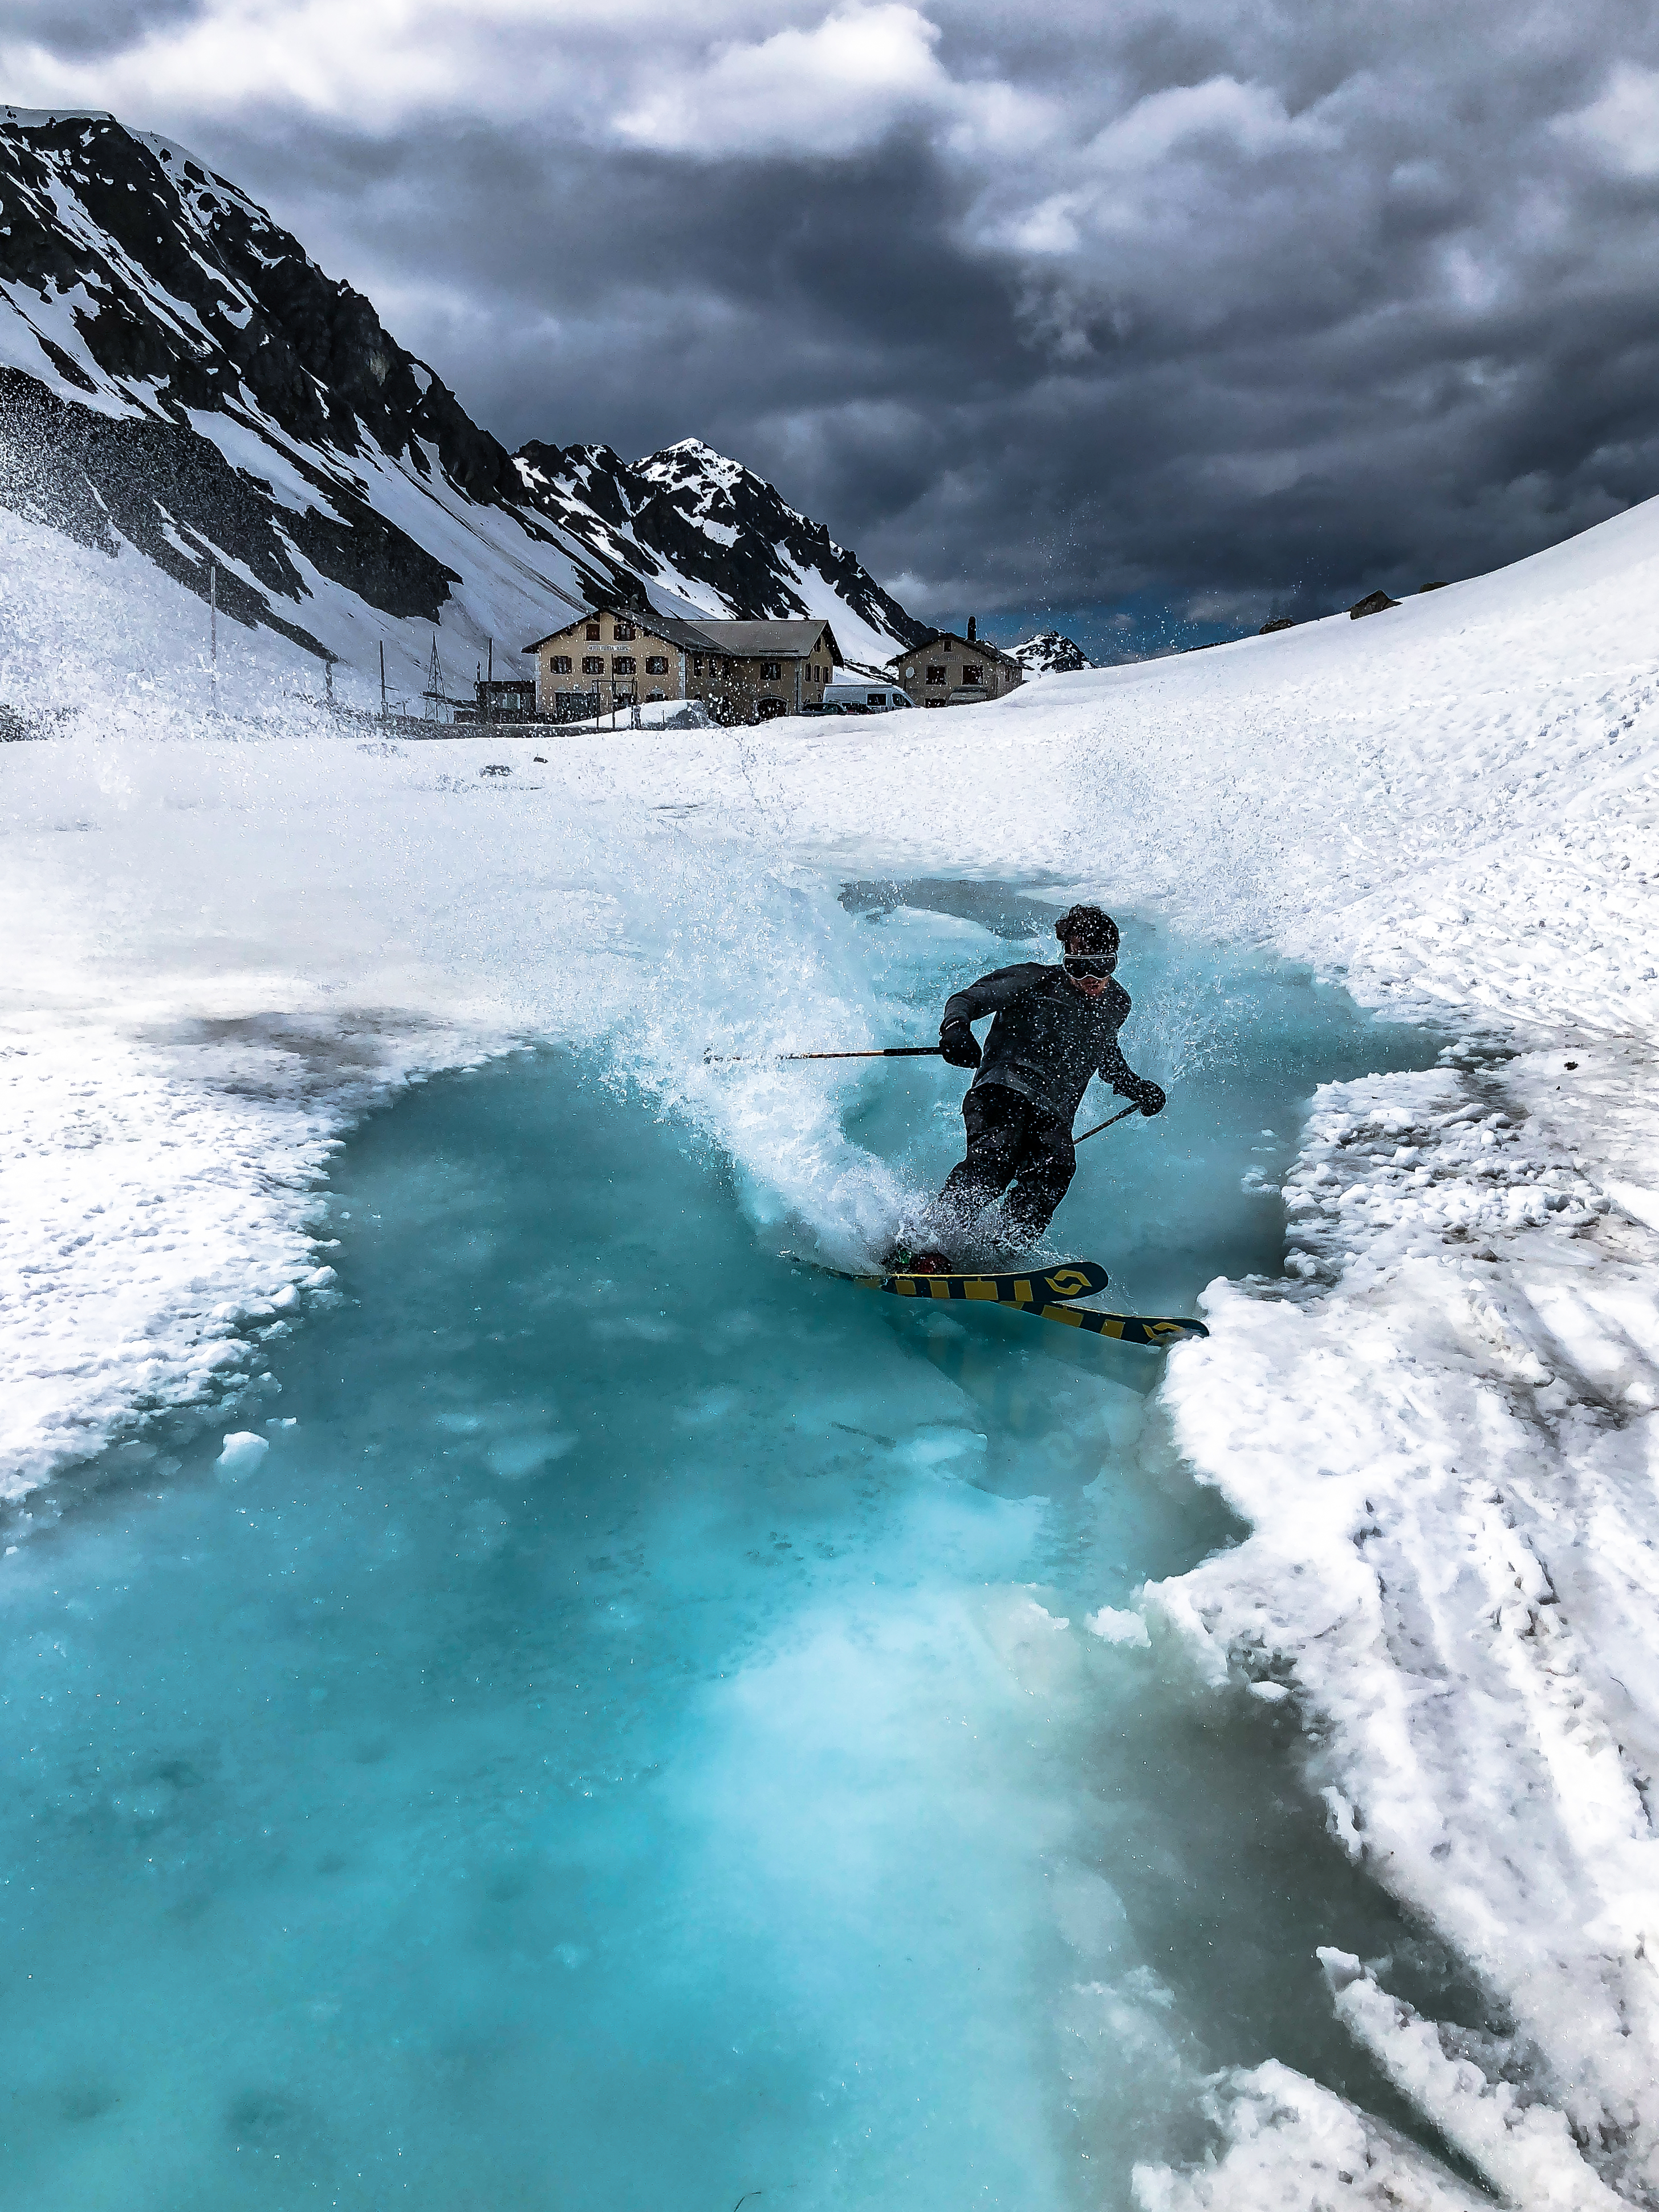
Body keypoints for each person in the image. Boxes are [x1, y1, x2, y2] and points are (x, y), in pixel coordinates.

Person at [894, 904, 1165, 1269]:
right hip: (1002, 1091)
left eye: (1100, 966)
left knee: (1056, 1170)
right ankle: (923, 1243)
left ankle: (995, 1253)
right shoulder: (1033, 980)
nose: (1090, 978)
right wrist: (956, 1029)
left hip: (1053, 1112)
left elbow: (1104, 1051)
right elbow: (967, 1000)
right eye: (1078, 966)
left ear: (1114, 959)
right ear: (1065, 958)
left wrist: (1135, 1087)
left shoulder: (1116, 1004)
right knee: (996, 1160)